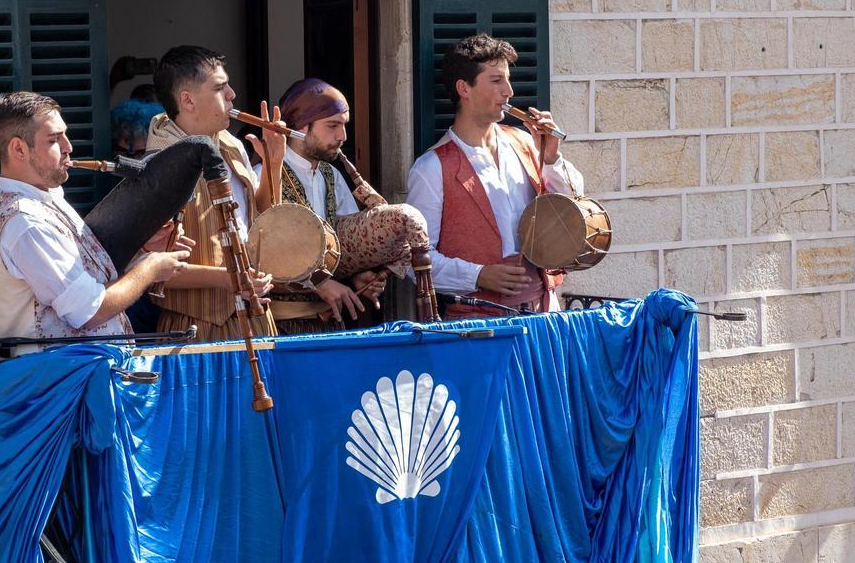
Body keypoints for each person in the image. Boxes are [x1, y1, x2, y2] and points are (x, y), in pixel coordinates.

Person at [0, 91, 192, 345]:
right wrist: (149, 269)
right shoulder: (26, 221)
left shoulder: (43, 197)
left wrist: (143, 252)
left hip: (83, 374)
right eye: (53, 140)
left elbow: (89, 281)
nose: (68, 148)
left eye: (65, 136)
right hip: (63, 379)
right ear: (19, 149)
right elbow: (88, 311)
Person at [406, 33, 584, 319]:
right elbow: (414, 262)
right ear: (464, 88)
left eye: (508, 79)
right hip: (477, 324)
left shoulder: (525, 143)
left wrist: (551, 158)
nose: (509, 91)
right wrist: (479, 276)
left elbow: (574, 209)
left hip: (543, 314)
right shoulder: (431, 168)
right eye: (497, 80)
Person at [257, 78, 430, 334]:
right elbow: (259, 256)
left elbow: (342, 250)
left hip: (329, 323)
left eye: (343, 125)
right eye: (332, 126)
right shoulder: (263, 174)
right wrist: (321, 285)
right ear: (302, 127)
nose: (343, 136)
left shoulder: (332, 176)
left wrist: (358, 277)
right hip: (278, 325)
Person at [144, 45, 283, 342]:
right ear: (188, 100)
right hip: (196, 327)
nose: (232, 94)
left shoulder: (229, 144)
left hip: (254, 313)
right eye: (220, 88)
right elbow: (151, 268)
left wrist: (274, 162)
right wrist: (231, 278)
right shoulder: (160, 164)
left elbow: (262, 220)